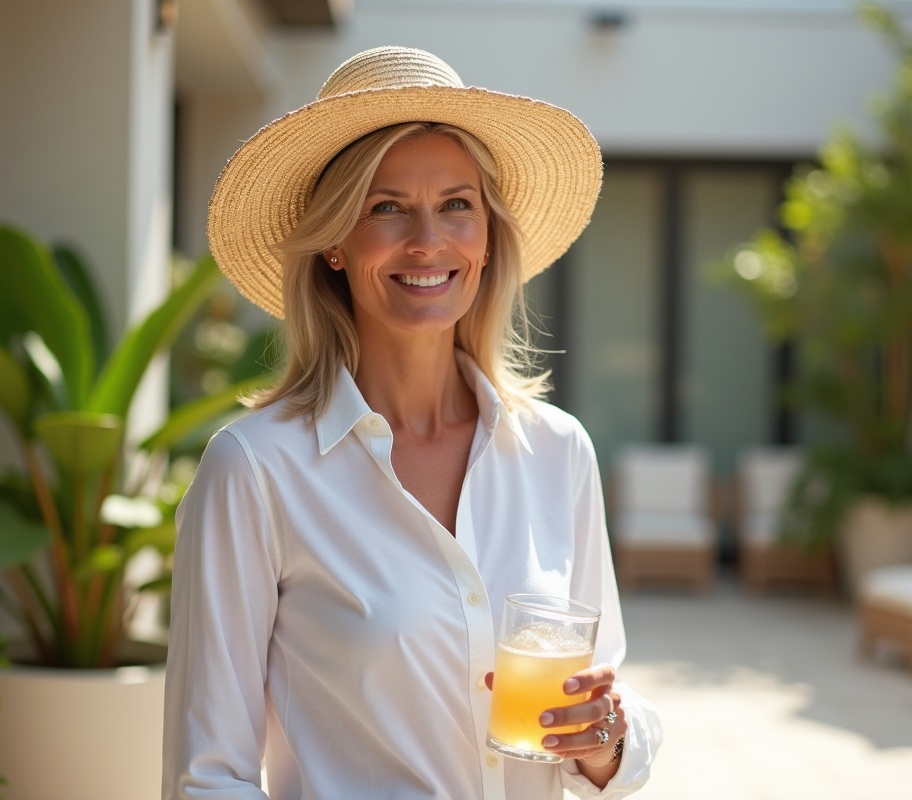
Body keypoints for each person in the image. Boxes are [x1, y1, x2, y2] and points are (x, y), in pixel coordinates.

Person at [162, 46, 662, 800]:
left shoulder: (559, 452)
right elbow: (208, 778)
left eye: (457, 204)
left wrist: (606, 741)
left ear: (488, 236)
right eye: (386, 207)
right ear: (334, 241)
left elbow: (603, 717)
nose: (428, 240)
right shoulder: (256, 470)